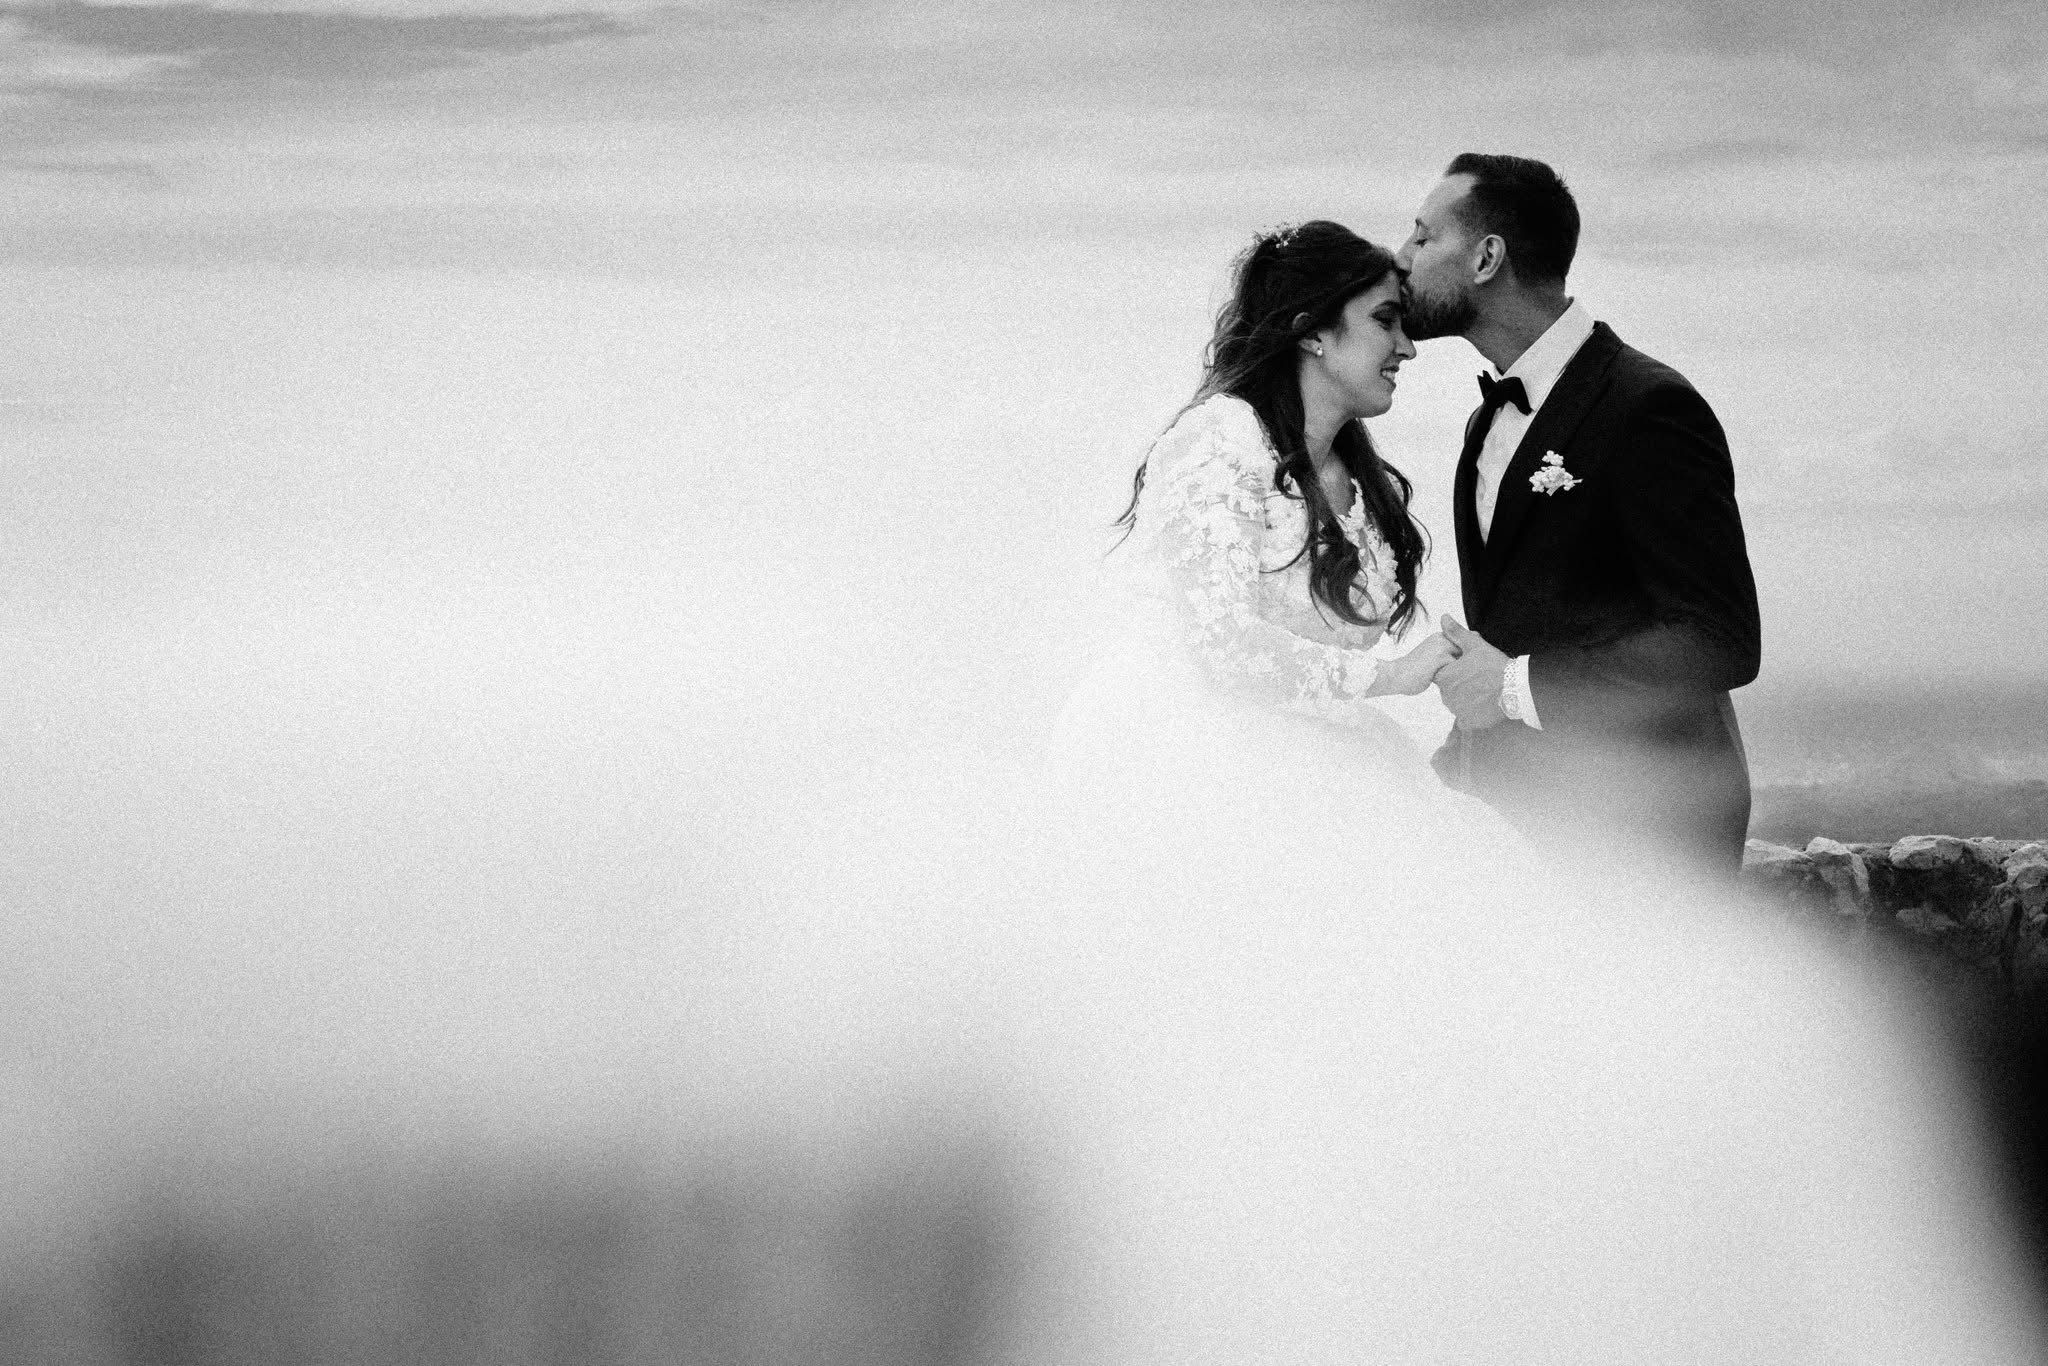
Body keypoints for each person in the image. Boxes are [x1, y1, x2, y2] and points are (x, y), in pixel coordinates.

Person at [1397, 153, 1762, 879]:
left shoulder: (1648, 407)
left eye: (1422, 237)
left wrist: (1512, 686)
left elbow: (1719, 639)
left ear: (1486, 258)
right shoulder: (1486, 423)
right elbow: (1518, 623)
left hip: (1649, 830)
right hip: (1530, 824)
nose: (1401, 258)